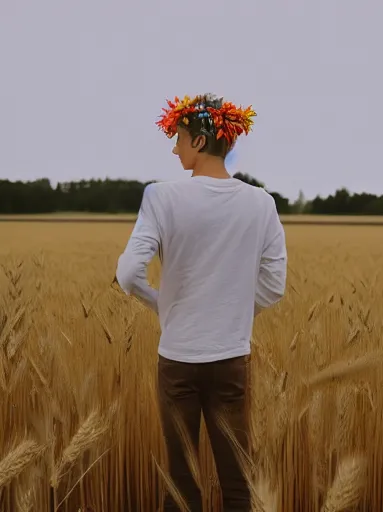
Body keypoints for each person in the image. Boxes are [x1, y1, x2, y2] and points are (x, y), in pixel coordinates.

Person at [115, 93, 287, 512]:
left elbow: (127, 274)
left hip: (178, 359)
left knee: (182, 484)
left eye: (179, 138)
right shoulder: (261, 203)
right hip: (231, 358)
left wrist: (163, 306)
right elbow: (275, 284)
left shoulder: (160, 197)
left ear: (199, 142)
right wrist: (232, 313)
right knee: (237, 483)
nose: (174, 148)